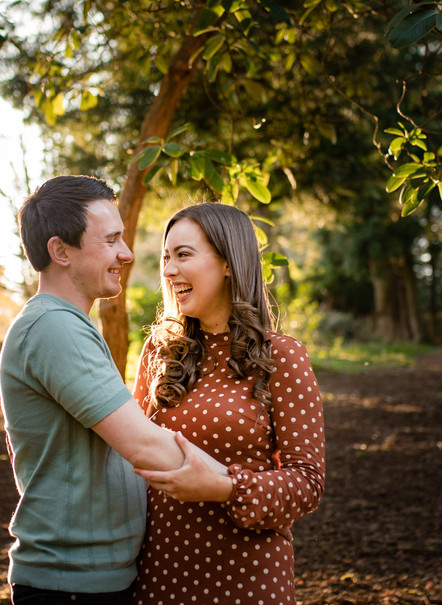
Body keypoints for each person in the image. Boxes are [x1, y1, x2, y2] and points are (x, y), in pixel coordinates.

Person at [0, 175, 226, 605]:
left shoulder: (65, 324)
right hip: (69, 587)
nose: (127, 253)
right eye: (110, 240)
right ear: (60, 251)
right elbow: (143, 444)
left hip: (90, 581)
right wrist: (245, 488)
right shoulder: (53, 327)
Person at [131, 202, 326, 605]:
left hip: (247, 578)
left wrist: (225, 488)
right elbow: (130, 454)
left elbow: (307, 484)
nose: (168, 271)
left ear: (227, 263)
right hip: (160, 574)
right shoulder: (159, 352)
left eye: (183, 255)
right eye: (166, 258)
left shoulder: (281, 356)